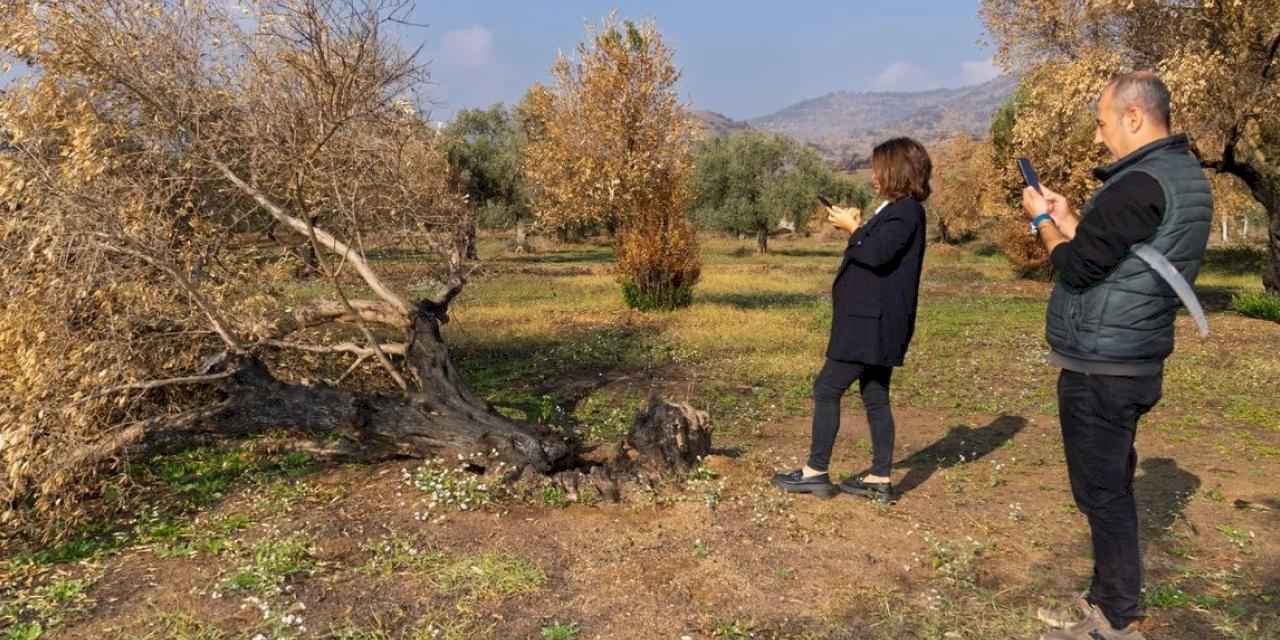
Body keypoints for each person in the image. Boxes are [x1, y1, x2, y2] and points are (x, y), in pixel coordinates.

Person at [1021, 71, 1211, 640]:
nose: (1100, 136)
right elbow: (1123, 252)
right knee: (1111, 486)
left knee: (1101, 493)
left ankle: (1117, 618)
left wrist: (1041, 224)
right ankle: (1105, 600)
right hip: (1131, 355)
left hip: (1103, 362)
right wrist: (1073, 217)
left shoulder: (1138, 183)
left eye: (1103, 123)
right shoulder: (1179, 176)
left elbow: (1078, 267)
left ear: (1134, 116)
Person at [772, 137, 931, 504]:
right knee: (875, 394)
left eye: (878, 168)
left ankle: (815, 472)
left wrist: (852, 230)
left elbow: (875, 254)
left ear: (896, 171)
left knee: (827, 387)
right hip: (872, 322)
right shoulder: (894, 210)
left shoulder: (905, 212)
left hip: (868, 325)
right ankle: (879, 478)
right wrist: (859, 225)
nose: (872, 175)